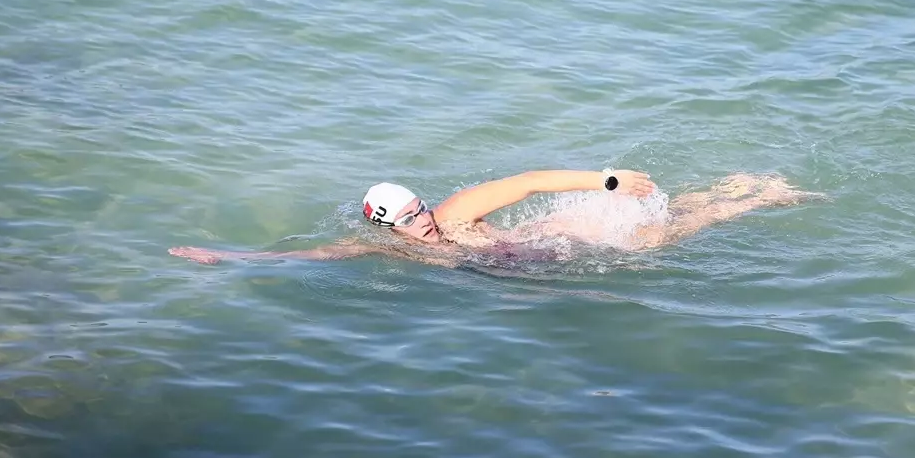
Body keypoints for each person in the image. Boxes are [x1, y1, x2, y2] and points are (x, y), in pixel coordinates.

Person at [168, 169, 820, 267]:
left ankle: (759, 195)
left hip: (569, 235)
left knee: (663, 235)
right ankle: (739, 188)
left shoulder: (454, 214)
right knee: (669, 226)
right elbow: (311, 256)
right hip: (542, 257)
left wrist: (606, 180)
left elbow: (526, 183)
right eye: (410, 220)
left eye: (421, 209)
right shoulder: (400, 252)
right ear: (388, 228)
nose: (424, 222)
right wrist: (229, 258)